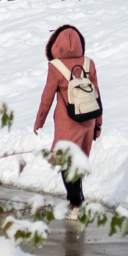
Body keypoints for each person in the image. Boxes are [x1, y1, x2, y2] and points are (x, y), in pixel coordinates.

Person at [34, 24, 102, 220]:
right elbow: (96, 94)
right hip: (88, 118)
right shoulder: (89, 63)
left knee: (65, 162)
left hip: (67, 121)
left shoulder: (55, 67)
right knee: (78, 161)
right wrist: (98, 122)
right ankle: (76, 200)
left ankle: (76, 204)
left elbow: (47, 97)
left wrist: (39, 121)